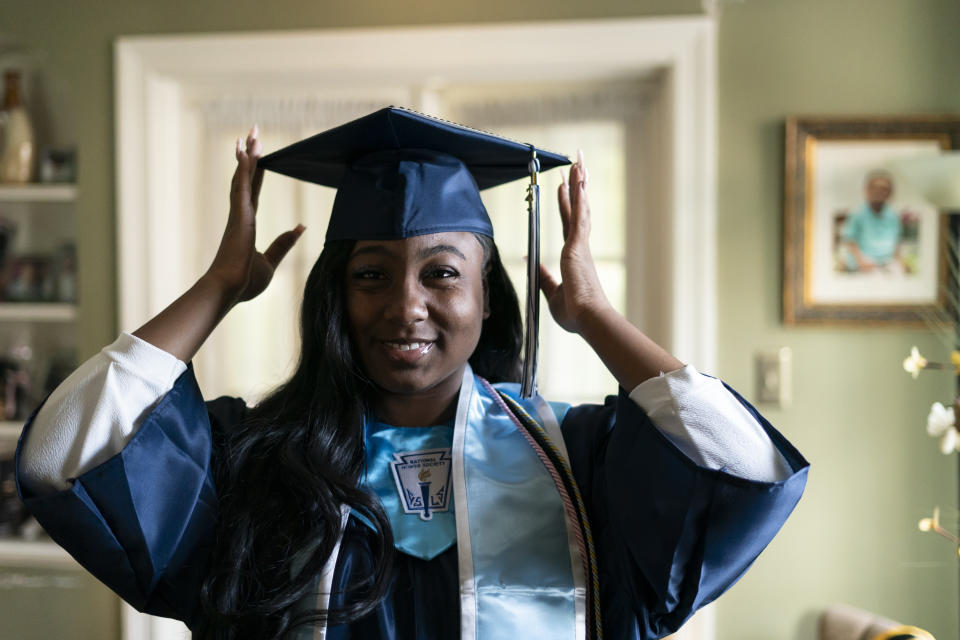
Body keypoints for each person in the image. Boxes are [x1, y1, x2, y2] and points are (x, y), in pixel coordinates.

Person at [15, 108, 808, 640]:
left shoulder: (578, 461)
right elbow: (66, 456)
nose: (406, 306)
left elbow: (743, 467)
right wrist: (218, 287)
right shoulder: (253, 461)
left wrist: (596, 313)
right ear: (336, 295)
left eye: (441, 273)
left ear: (485, 294)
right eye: (370, 275)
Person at [842, 170, 905, 273]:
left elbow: (897, 242)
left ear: (890, 193)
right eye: (874, 187)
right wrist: (861, 261)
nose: (878, 191)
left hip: (886, 264)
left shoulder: (893, 216)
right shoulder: (857, 214)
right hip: (862, 265)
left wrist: (898, 261)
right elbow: (850, 241)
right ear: (866, 190)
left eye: (884, 188)